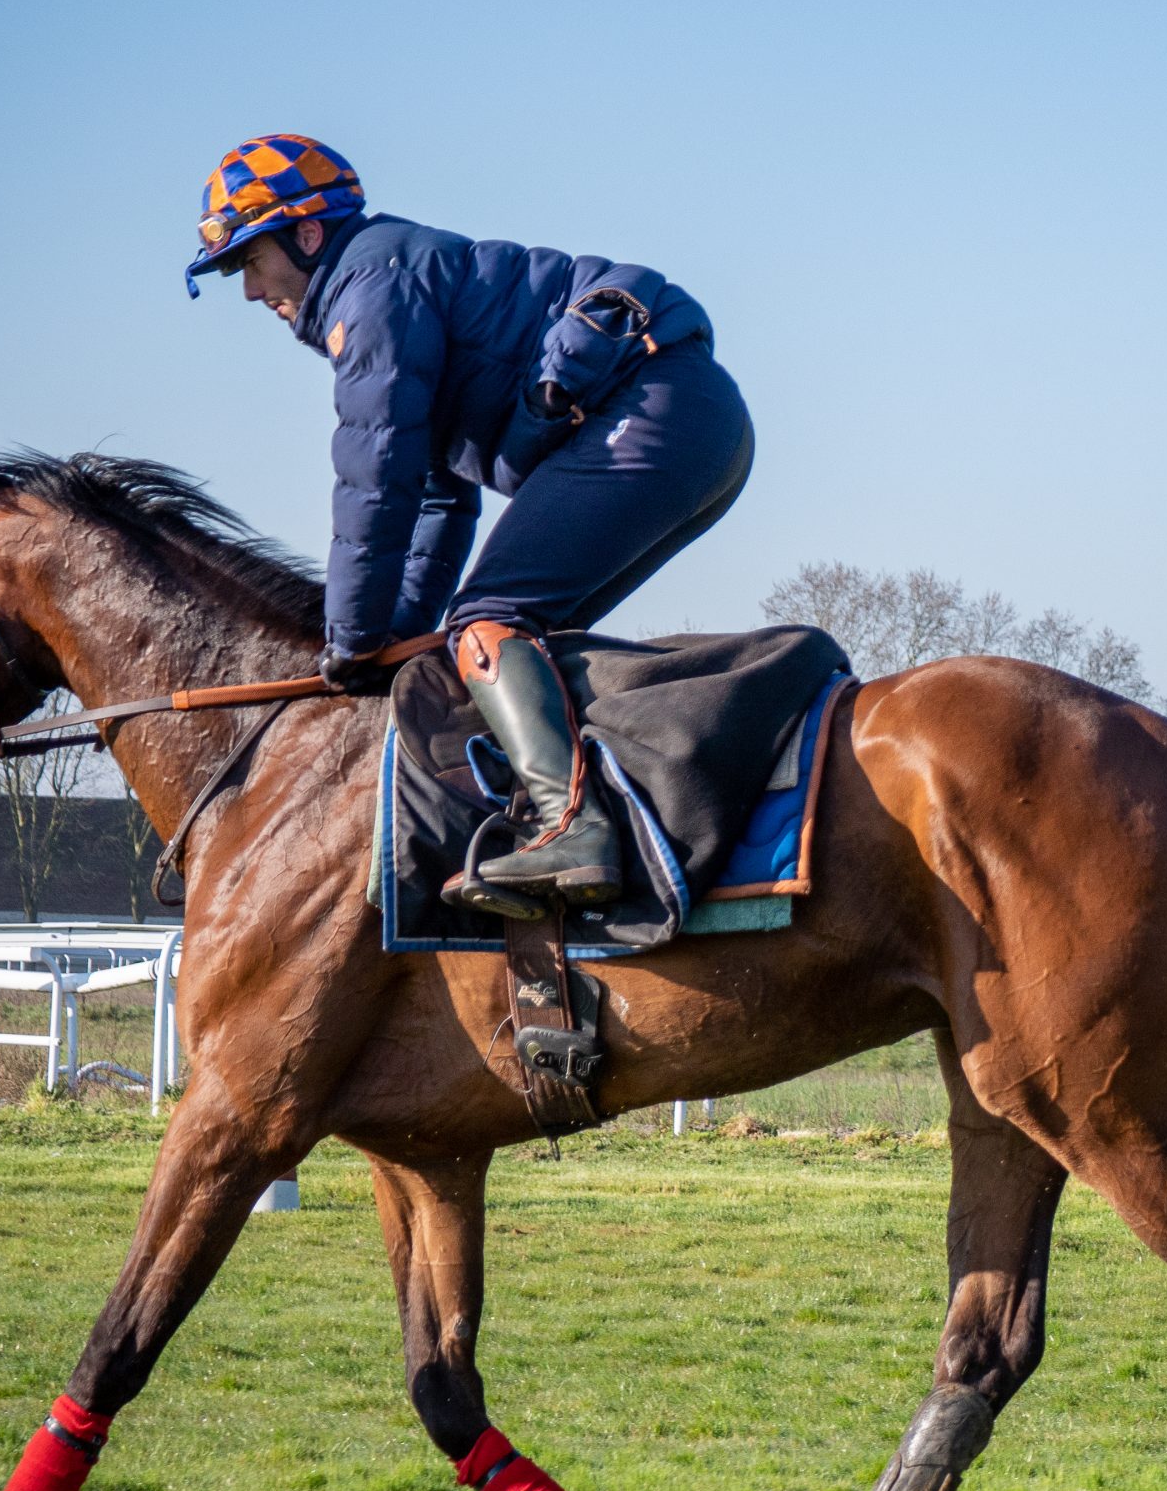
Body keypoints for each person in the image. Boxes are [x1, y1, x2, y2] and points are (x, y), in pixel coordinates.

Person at [187, 135, 755, 916]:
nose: (250, 292)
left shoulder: (370, 286)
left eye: (250, 262)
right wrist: (396, 639)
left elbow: (374, 477)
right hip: (693, 420)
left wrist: (348, 638)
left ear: (307, 235)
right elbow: (436, 498)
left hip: (657, 413)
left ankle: (572, 827)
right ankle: (590, 816)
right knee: (507, 641)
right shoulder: (384, 277)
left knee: (491, 621)